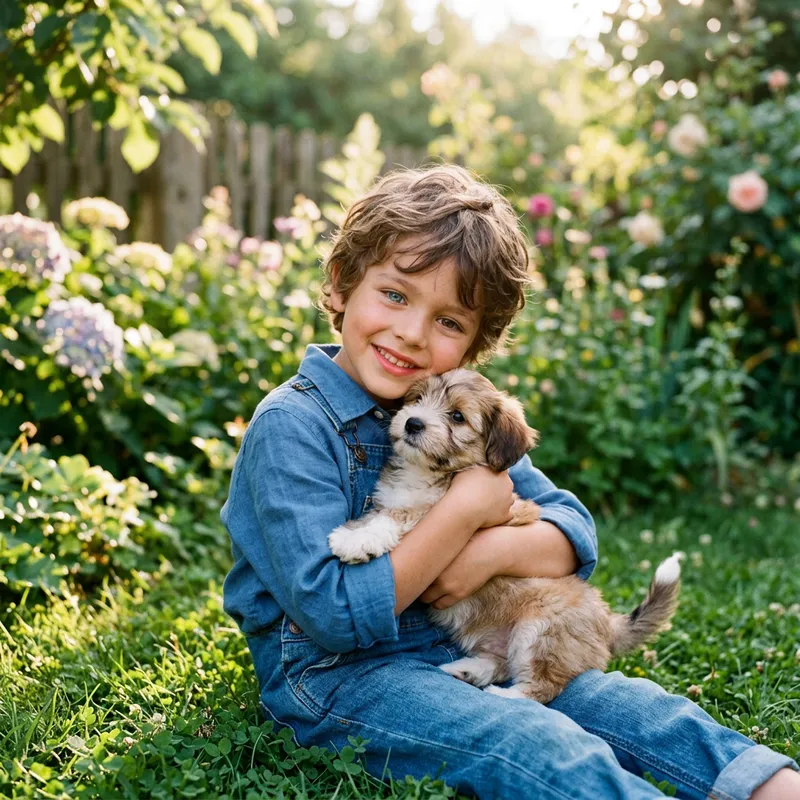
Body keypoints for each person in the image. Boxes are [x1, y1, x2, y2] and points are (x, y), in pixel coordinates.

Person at [221, 165, 800, 799]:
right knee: (537, 745)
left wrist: (490, 552)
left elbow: (573, 532)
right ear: (340, 286)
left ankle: (771, 789)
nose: (412, 333)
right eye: (394, 295)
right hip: (345, 675)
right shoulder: (294, 426)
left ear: (473, 345)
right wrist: (463, 514)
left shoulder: (468, 419)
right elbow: (333, 615)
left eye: (449, 322)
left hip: (474, 646)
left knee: (640, 711)